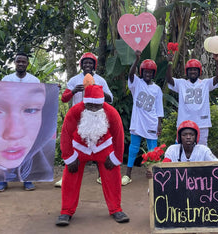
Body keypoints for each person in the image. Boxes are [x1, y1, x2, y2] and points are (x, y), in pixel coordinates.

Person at [56, 85, 129, 226]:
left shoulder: (111, 113)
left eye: (98, 105)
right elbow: (65, 133)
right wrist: (69, 157)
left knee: (112, 172)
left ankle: (116, 209)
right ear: (85, 103)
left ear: (103, 103)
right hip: (80, 146)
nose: (94, 109)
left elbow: (119, 135)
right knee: (70, 173)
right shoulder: (75, 111)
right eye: (91, 105)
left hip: (104, 146)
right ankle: (66, 211)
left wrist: (115, 157)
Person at [56, 52, 114, 187]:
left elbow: (110, 99)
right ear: (81, 65)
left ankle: (102, 176)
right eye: (85, 62)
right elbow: (64, 99)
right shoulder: (74, 80)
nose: (88, 65)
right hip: (78, 119)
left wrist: (98, 90)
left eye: (90, 63)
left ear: (94, 65)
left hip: (96, 118)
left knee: (99, 146)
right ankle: (66, 175)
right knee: (72, 145)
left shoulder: (101, 80)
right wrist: (74, 91)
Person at [0, 52, 49, 191]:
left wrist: (53, 90)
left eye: (23, 62)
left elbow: (39, 97)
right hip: (8, 119)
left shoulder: (34, 80)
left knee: (26, 150)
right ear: (15, 63)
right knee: (5, 148)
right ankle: (3, 181)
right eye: (18, 61)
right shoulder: (7, 79)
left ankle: (27, 180)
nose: (21, 64)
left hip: (26, 120)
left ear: (27, 64)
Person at [122, 50, 164, 186]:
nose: (147, 74)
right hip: (137, 121)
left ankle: (154, 174)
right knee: (133, 148)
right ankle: (128, 174)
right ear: (141, 72)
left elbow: (159, 108)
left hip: (151, 122)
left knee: (153, 150)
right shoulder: (137, 84)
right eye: (145, 72)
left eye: (150, 72)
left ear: (153, 74)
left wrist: (159, 123)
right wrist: (137, 59)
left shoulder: (157, 89)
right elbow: (130, 74)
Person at [166, 53, 218, 145]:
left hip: (202, 123)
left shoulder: (205, 83)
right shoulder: (181, 83)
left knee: (202, 149)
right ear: (186, 72)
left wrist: (217, 61)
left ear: (199, 71)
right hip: (184, 123)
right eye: (190, 70)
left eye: (195, 70)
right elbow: (169, 79)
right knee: (180, 147)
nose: (193, 72)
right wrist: (169, 63)